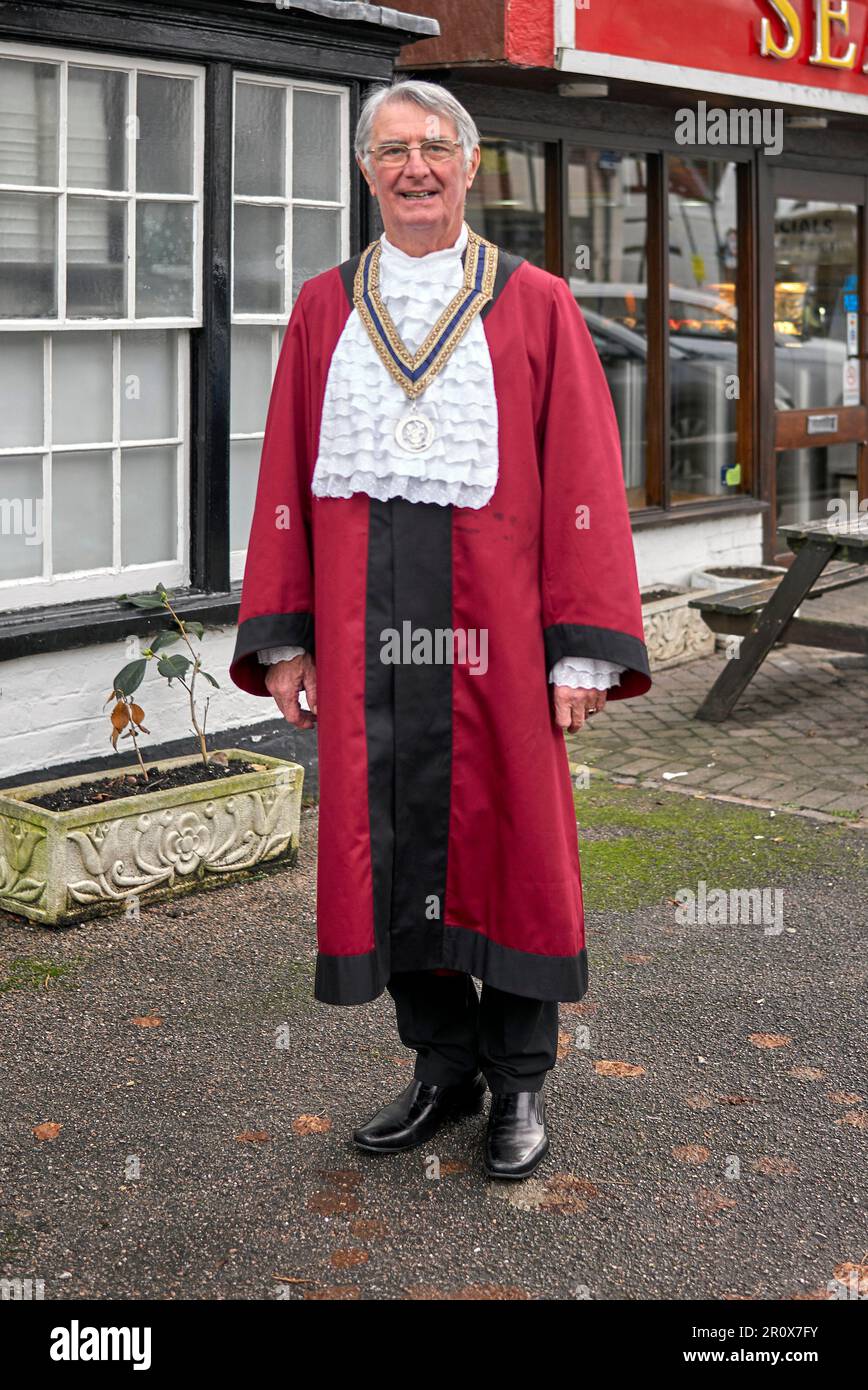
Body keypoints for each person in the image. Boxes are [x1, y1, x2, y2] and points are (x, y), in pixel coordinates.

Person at [229, 78, 652, 1180]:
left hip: (500, 639)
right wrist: (287, 636)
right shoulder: (324, 306)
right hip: (368, 640)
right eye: (390, 151)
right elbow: (282, 467)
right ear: (365, 172)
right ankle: (440, 1066)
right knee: (392, 848)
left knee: (508, 851)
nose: (413, 168)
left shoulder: (537, 301)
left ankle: (517, 1087)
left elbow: (585, 484)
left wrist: (582, 649)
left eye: (434, 148)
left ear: (470, 164)